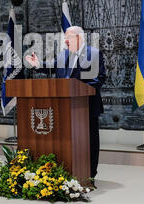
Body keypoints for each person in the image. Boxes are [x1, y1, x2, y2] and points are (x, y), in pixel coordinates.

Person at [25, 26, 106, 183]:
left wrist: (80, 90)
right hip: (65, 108)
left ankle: (89, 174)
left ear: (79, 37)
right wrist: (37, 64)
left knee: (89, 142)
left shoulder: (94, 54)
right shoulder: (64, 55)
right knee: (68, 141)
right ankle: (69, 172)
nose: (66, 41)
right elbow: (54, 66)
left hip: (86, 107)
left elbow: (99, 78)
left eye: (68, 37)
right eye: (65, 38)